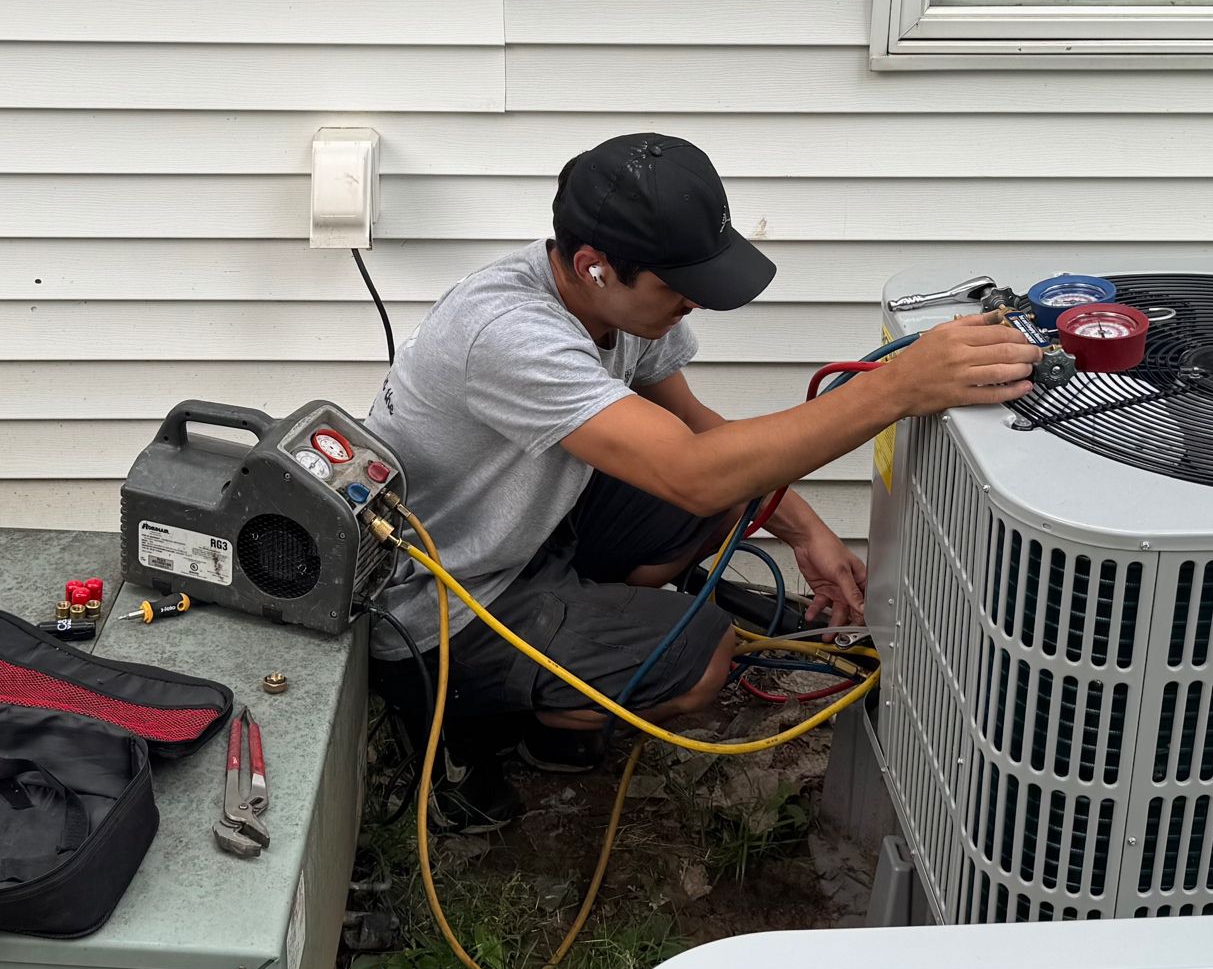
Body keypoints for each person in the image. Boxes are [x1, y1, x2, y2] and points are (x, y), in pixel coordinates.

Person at [366, 132, 1039, 829]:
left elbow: (693, 430)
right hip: (444, 604)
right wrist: (898, 388)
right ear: (595, 265)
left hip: (528, 536)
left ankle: (570, 647)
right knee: (699, 657)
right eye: (677, 285)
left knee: (714, 508)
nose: (693, 301)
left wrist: (808, 533)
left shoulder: (612, 301)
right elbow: (692, 473)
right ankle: (471, 718)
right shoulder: (508, 333)